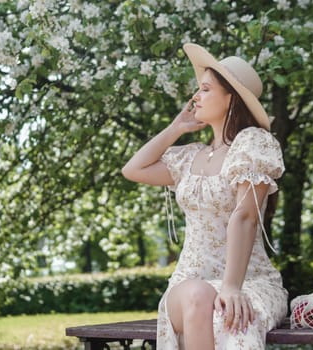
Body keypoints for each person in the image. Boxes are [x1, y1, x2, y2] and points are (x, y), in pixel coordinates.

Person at [122, 43, 288, 349]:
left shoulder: (252, 144)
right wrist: (175, 128)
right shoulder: (190, 157)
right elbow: (133, 169)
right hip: (189, 283)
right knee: (198, 295)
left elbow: (246, 215)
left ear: (231, 98)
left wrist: (231, 287)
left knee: (230, 314)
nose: (195, 96)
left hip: (249, 281)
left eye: (206, 89)